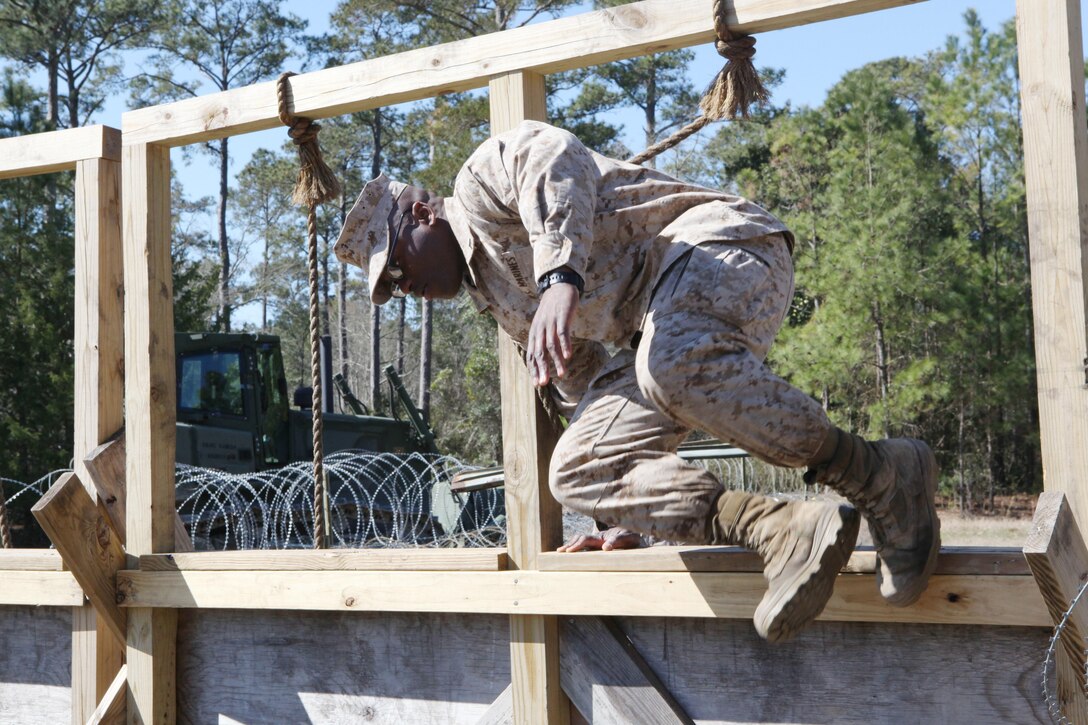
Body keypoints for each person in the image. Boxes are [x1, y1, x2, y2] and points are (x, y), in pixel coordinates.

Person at [333, 120, 940, 642]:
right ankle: (780, 530)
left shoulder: (480, 182)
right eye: (390, 288)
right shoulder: (499, 301)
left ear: (421, 214)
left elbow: (555, 157)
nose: (401, 287)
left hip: (719, 245)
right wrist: (626, 513)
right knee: (574, 470)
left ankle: (872, 472)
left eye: (397, 265)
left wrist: (559, 278)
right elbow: (584, 385)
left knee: (667, 365)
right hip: (658, 335)